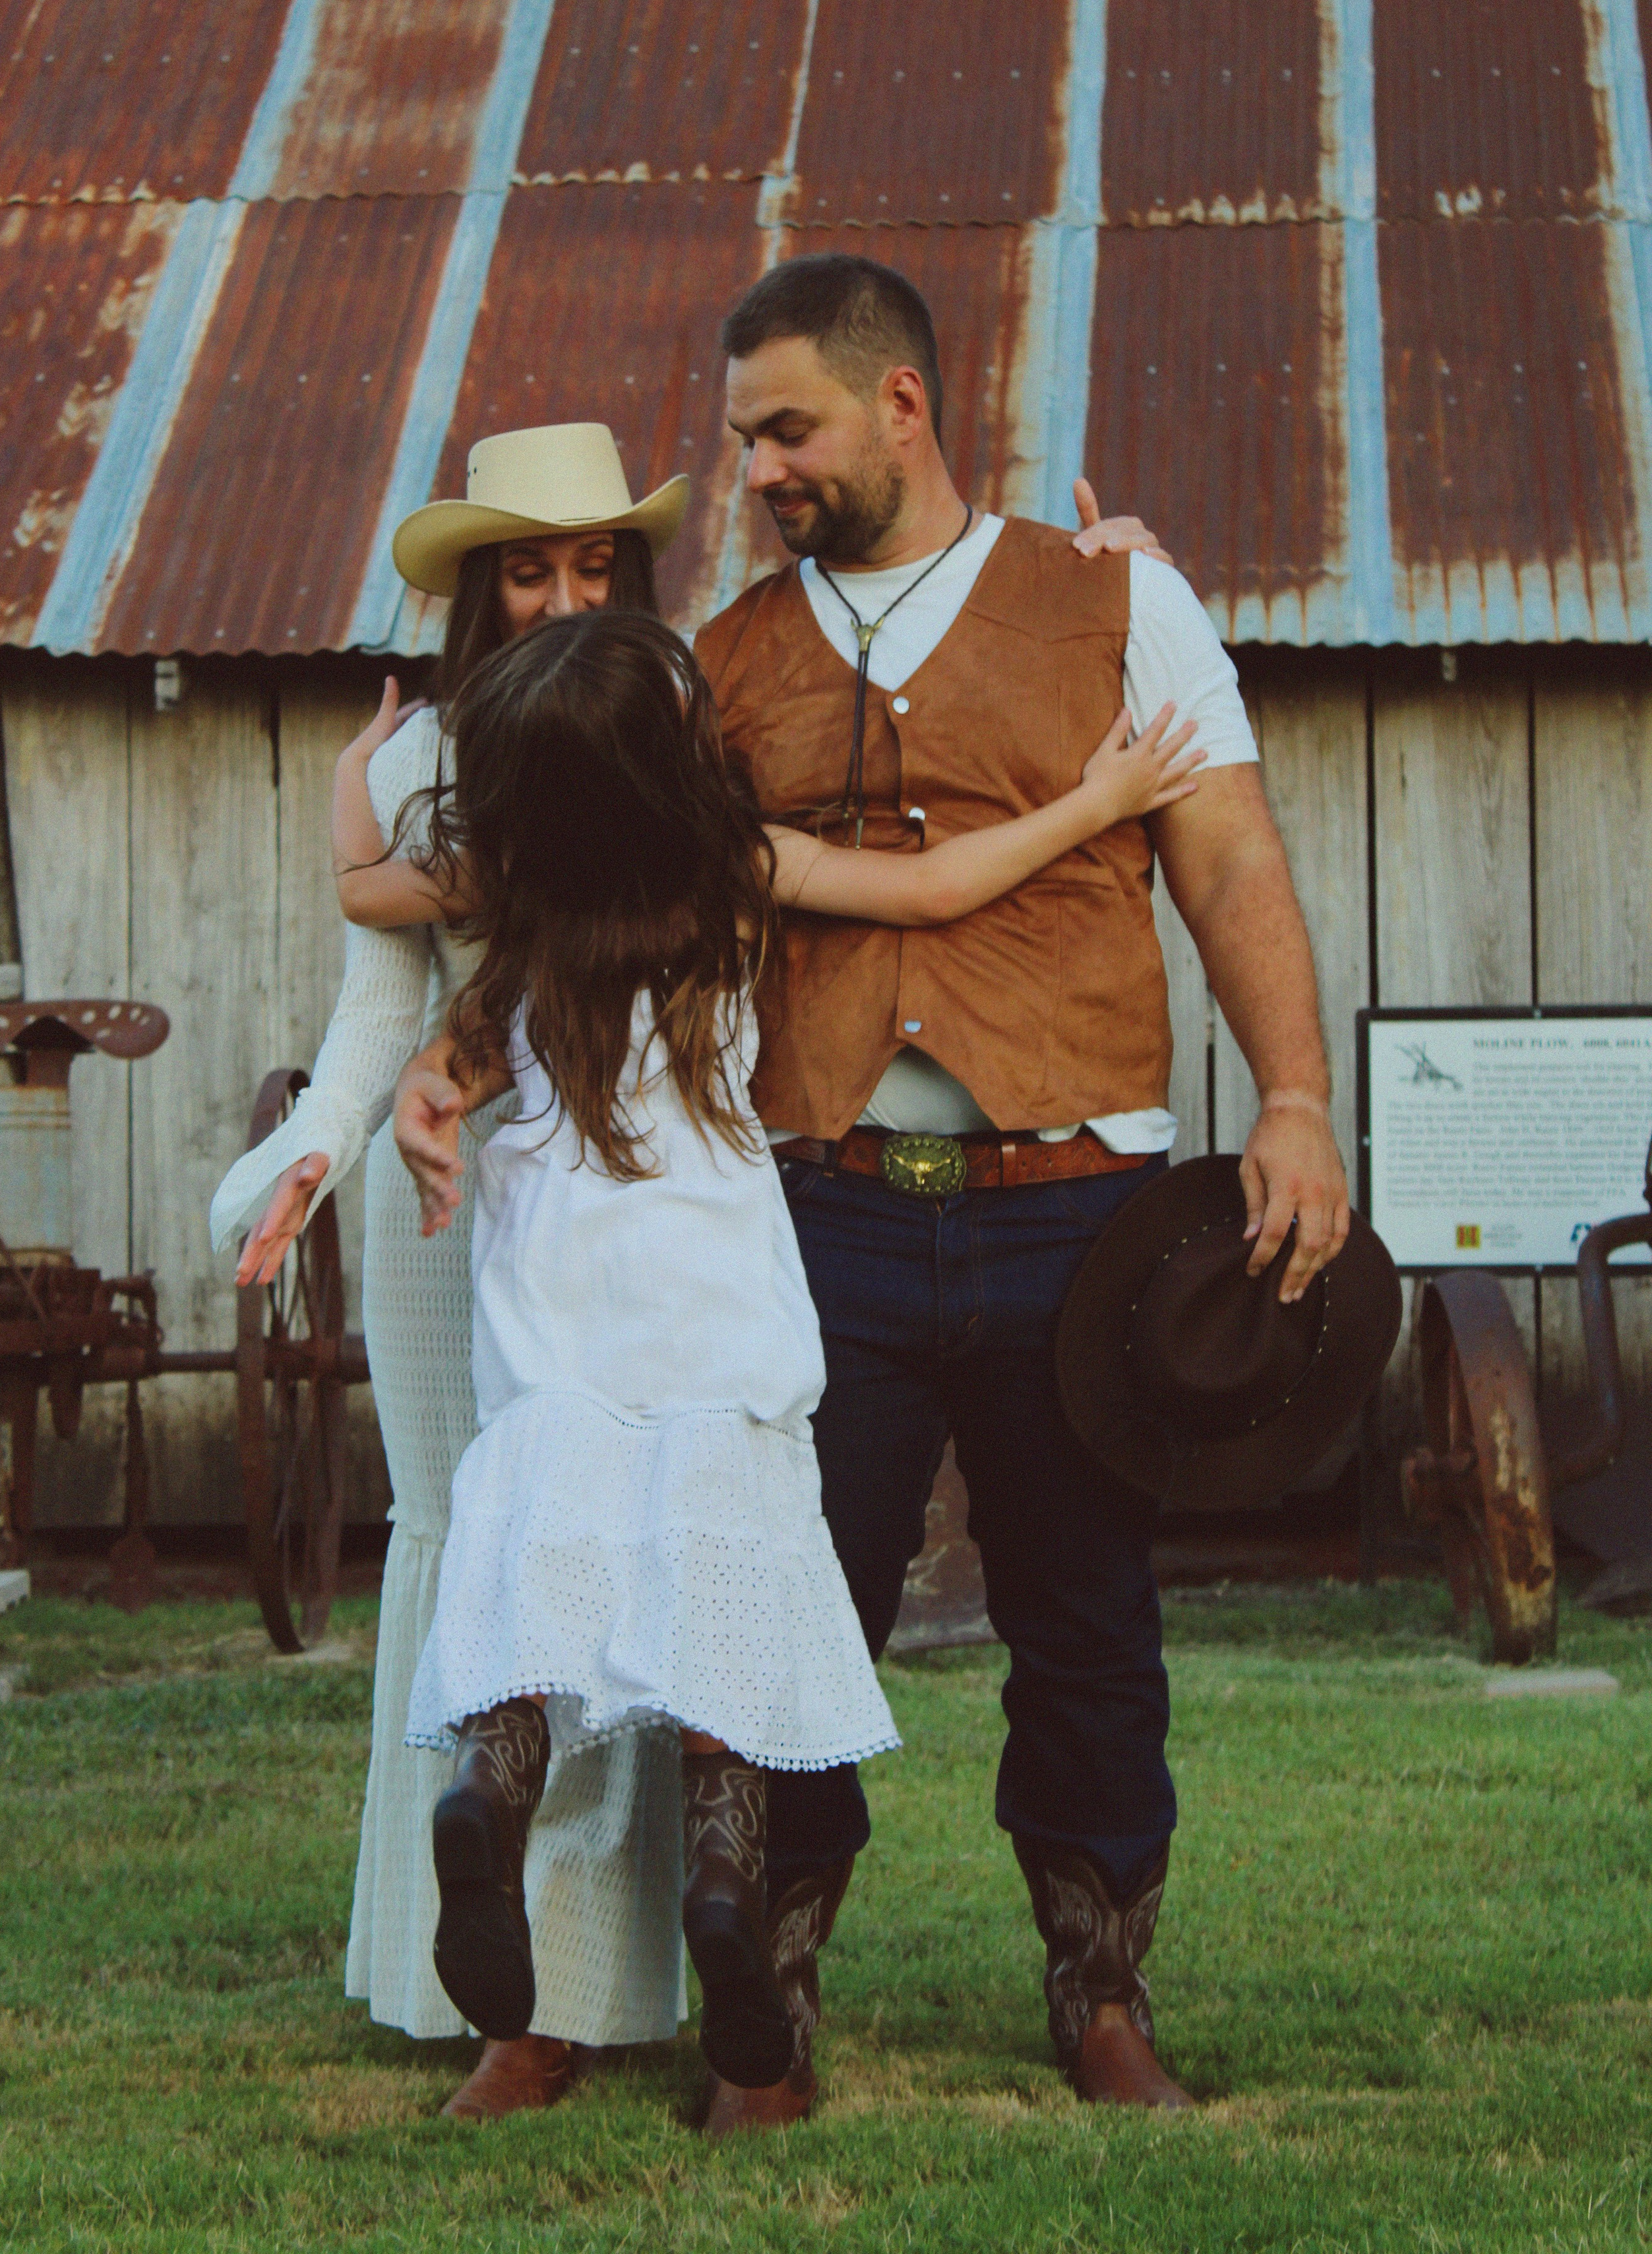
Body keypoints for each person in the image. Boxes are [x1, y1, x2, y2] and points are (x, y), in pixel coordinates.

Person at [332, 608, 1203, 2111]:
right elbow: (932, 884)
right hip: (716, 1310)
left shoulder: (527, 913)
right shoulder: (729, 881)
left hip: (556, 1318)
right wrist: (1098, 803)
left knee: (539, 1586)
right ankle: (727, 1877)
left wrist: (363, 789)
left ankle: (490, 1786)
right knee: (724, 1602)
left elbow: (378, 915)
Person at [694, 252, 1353, 2129]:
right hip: (822, 1206)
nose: (761, 470)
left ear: (904, 402)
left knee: (1086, 1617)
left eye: (790, 429)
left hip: (1079, 1209)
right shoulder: (727, 661)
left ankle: (1103, 1990)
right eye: (746, 439)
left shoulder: (1119, 603)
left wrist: (1294, 1096)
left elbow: (1226, 861)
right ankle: (773, 2004)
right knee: (787, 1612)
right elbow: (635, 913)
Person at [208, 425, 694, 2120]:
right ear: (480, 585)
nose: (563, 595)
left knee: (601, 1552)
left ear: (628, 579)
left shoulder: (667, 726)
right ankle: (470, 1983)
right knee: (460, 1545)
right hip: (439, 1201)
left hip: (615, 1167)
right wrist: (301, 1164)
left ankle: (594, 1985)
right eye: (526, 566)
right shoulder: (414, 760)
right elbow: (378, 1013)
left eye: (590, 565)